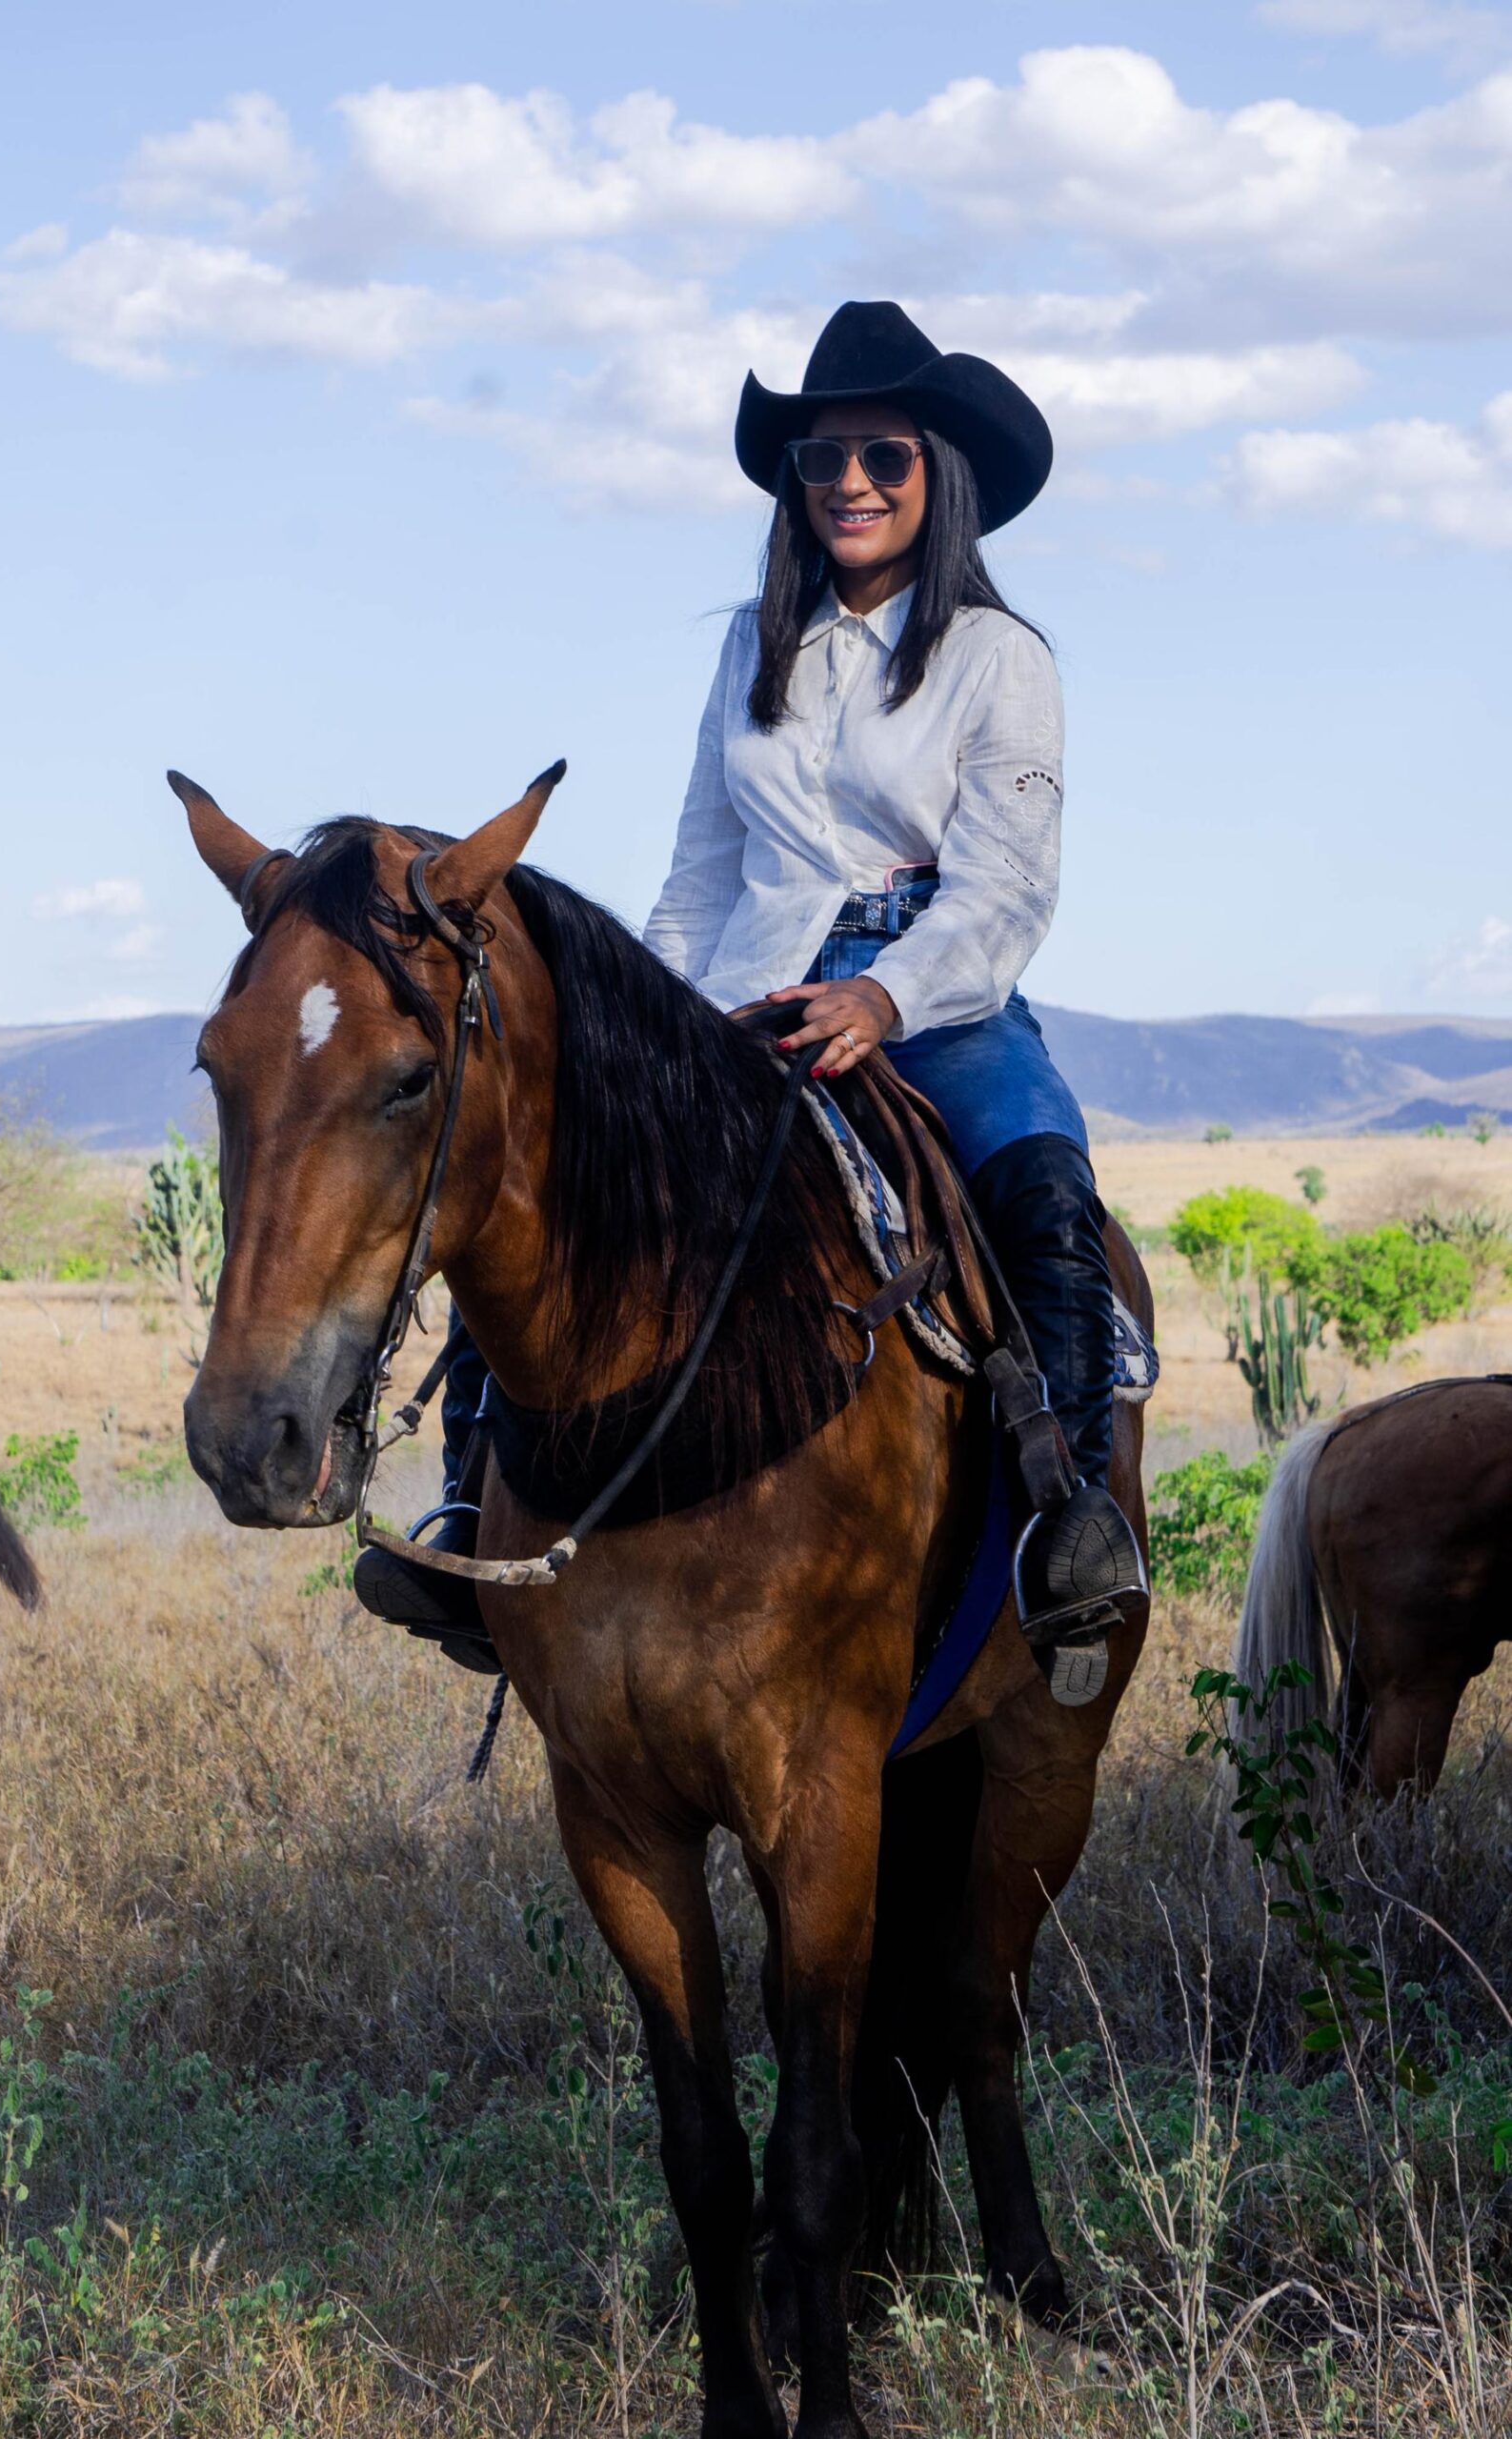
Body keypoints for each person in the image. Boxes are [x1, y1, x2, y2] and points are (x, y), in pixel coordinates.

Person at [354, 300, 1143, 1701]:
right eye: (822, 457)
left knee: (1040, 1185)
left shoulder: (996, 656)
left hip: (935, 994)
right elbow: (702, 868)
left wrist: (885, 999)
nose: (849, 481)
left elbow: (1009, 887)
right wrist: (642, 1033)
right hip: (744, 988)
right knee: (540, 1174)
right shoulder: (754, 646)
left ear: (939, 472)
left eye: (884, 456)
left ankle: (1070, 1528)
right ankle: (474, 1505)